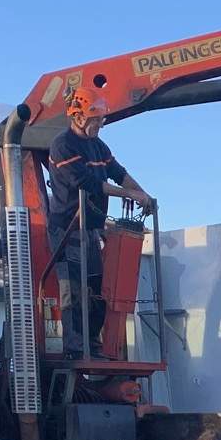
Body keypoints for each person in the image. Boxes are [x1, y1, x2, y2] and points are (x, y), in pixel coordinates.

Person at [46, 89, 155, 359]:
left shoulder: (99, 147)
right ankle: (75, 348)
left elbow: (119, 174)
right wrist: (130, 195)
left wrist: (144, 195)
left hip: (91, 228)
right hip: (68, 228)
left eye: (102, 120)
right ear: (78, 117)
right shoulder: (63, 145)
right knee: (74, 288)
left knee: (96, 288)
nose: (99, 125)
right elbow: (88, 184)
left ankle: (93, 345)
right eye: (96, 120)